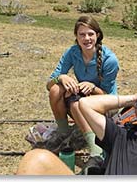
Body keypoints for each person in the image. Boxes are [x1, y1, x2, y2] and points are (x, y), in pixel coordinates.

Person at [17, 88, 137, 175]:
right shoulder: (120, 135)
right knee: (36, 158)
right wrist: (133, 99)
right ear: (136, 114)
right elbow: (85, 104)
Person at [44, 15, 119, 166]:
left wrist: (93, 87)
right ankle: (64, 133)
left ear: (97, 35)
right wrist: (62, 78)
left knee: (77, 103)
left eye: (90, 34)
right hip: (81, 99)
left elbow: (108, 97)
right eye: (82, 34)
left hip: (106, 105)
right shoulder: (72, 52)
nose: (86, 38)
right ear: (76, 37)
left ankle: (95, 148)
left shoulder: (110, 60)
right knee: (56, 90)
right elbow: (49, 84)